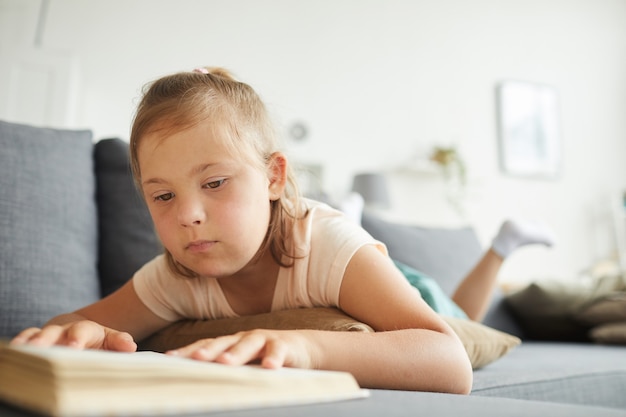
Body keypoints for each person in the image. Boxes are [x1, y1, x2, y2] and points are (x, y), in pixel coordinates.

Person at [10, 67, 552, 394]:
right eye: (163, 195)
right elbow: (70, 324)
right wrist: (80, 335)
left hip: (386, 279)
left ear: (274, 177)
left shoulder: (328, 245)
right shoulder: (176, 275)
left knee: (458, 316)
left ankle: (500, 250)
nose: (187, 215)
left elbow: (449, 361)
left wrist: (302, 348)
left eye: (215, 183)